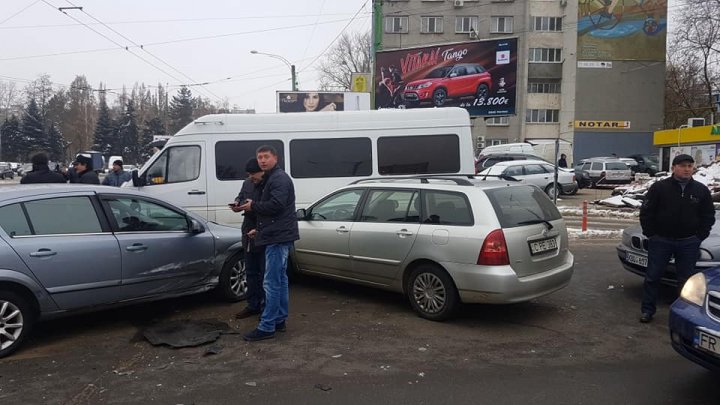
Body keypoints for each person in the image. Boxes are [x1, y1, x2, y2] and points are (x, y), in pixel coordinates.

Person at [638, 154, 715, 323]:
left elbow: (708, 215)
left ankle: (682, 315)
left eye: (690, 166)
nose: (687, 169)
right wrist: (651, 234)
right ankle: (647, 310)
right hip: (661, 241)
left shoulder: (700, 190)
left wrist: (700, 236)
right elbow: (646, 212)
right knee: (653, 277)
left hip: (688, 242)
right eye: (683, 166)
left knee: (686, 281)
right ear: (674, 168)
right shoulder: (659, 188)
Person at [238, 145, 299, 341]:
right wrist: (261, 229)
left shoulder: (278, 178)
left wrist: (253, 205)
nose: (262, 160)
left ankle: (267, 326)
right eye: (260, 158)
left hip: (278, 238)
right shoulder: (272, 178)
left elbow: (276, 205)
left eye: (266, 157)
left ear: (275, 158)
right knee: (280, 281)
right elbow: (277, 214)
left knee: (271, 282)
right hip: (276, 234)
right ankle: (279, 319)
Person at [231, 158, 266, 320]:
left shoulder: (269, 183)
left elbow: (271, 207)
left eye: (254, 174)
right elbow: (241, 196)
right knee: (250, 272)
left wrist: (253, 206)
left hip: (263, 231)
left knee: (265, 274)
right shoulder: (247, 183)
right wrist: (238, 204)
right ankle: (253, 305)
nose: (251, 177)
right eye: (249, 175)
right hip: (248, 232)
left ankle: (266, 308)